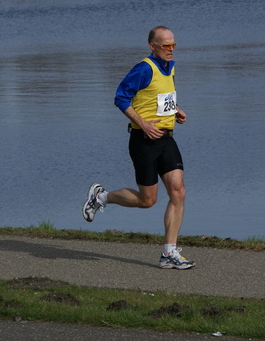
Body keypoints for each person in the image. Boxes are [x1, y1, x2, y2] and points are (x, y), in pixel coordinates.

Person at [82, 26, 194, 270]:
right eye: (165, 45)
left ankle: (169, 253)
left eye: (173, 44)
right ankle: (101, 197)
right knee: (147, 201)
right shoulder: (144, 68)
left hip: (166, 138)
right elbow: (121, 97)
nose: (171, 49)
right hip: (143, 141)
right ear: (152, 46)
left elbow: (157, 96)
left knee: (178, 192)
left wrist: (175, 109)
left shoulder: (170, 66)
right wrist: (142, 124)